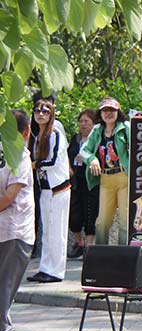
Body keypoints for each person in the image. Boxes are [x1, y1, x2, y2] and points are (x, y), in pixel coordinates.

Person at [0, 110, 35, 331]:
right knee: (7, 281)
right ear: (26, 131)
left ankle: (5, 324)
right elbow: (11, 195)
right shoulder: (19, 156)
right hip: (14, 228)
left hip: (7, 228)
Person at [26, 99, 70, 284]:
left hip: (58, 189)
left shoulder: (55, 133)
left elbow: (55, 161)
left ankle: (56, 271)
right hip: (45, 189)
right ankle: (45, 267)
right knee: (47, 231)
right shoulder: (37, 136)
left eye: (45, 111)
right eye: (37, 111)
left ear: (51, 114)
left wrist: (34, 165)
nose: (41, 114)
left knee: (57, 230)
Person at [80, 97, 130, 245]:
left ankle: (124, 254)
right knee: (102, 221)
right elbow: (84, 150)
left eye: (112, 110)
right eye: (105, 110)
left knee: (124, 220)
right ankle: (101, 254)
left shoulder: (126, 127)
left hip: (124, 177)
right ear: (100, 114)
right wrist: (92, 159)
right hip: (105, 179)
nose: (109, 113)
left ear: (118, 112)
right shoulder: (97, 130)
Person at [67, 109, 99, 259]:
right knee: (74, 213)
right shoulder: (75, 138)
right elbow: (66, 155)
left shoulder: (97, 139)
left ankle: (90, 246)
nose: (83, 124)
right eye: (81, 121)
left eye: (87, 121)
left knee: (90, 212)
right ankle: (78, 242)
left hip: (91, 180)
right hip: (75, 180)